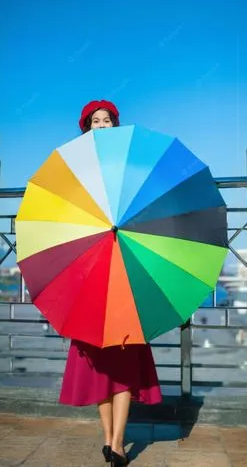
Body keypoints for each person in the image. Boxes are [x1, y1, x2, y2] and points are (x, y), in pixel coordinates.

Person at [59, 100, 162, 467]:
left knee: (124, 360)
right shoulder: (76, 168)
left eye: (107, 121)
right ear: (86, 127)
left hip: (127, 268)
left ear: (115, 126)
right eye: (95, 121)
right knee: (98, 365)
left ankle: (117, 443)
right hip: (91, 270)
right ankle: (108, 439)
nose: (101, 125)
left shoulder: (128, 165)